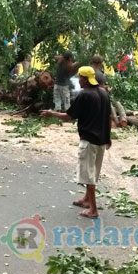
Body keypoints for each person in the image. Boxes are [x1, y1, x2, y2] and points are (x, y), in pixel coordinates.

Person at [41, 66, 111, 219]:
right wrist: (108, 138)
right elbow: (108, 117)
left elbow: (68, 116)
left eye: (80, 78)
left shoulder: (84, 95)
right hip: (101, 141)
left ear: (85, 79)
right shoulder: (104, 94)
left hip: (89, 140)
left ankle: (93, 209)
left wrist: (51, 113)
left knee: (88, 175)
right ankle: (86, 199)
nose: (78, 80)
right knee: (93, 172)